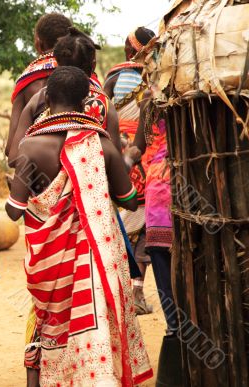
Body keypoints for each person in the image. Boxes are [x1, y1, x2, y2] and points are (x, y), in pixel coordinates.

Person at [6, 66, 152, 386]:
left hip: (49, 264)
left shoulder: (30, 147)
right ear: (87, 100)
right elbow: (128, 200)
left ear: (46, 98)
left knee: (49, 325)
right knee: (94, 321)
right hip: (95, 257)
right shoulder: (102, 145)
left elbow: (14, 211)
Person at [7, 26, 125, 166]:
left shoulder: (40, 98)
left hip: (43, 185)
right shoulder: (105, 104)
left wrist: (37, 179)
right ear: (93, 66)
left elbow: (14, 157)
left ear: (57, 62)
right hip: (92, 185)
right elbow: (117, 165)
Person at [104, 27, 156, 315]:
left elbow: (102, 113)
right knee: (145, 226)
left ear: (128, 50)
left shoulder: (112, 78)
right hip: (148, 158)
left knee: (121, 222)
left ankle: (118, 292)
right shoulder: (155, 78)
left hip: (121, 156)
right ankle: (136, 291)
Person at [133, 94, 178, 337]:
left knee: (162, 259)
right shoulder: (201, 94)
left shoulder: (150, 102)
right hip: (188, 187)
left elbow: (137, 148)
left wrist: (123, 160)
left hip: (160, 191)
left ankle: (174, 328)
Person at [6, 13, 72, 157]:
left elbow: (11, 148)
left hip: (37, 170)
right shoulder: (84, 77)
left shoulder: (26, 82)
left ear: (39, 43)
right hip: (84, 172)